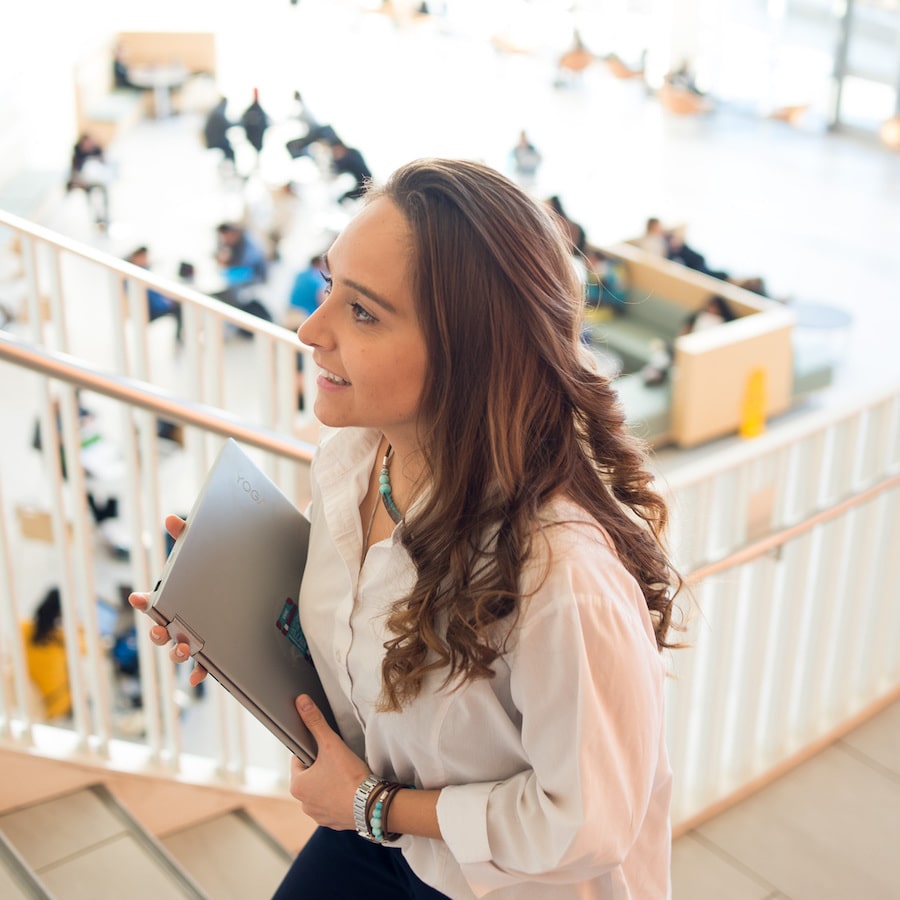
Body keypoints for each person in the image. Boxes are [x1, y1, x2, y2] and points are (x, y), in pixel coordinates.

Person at [131, 158, 681, 898]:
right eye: (329, 287)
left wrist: (371, 804)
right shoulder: (353, 464)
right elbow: (370, 668)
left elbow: (585, 823)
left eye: (363, 312)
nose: (308, 329)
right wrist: (234, 638)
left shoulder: (559, 575)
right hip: (387, 833)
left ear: (469, 356)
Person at [21, 588, 76, 720]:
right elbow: (90, 648)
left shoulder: (23, 628)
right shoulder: (61, 637)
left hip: (32, 701)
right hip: (57, 704)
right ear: (60, 613)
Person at [124, 246, 182, 341]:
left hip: (154, 306)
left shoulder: (144, 272)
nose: (145, 259)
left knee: (179, 305)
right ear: (135, 257)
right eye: (142, 257)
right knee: (178, 307)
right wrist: (167, 304)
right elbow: (152, 298)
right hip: (149, 310)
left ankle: (180, 338)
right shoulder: (132, 276)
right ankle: (180, 339)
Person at [66, 133, 111, 228]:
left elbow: (105, 164)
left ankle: (104, 216)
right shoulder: (78, 154)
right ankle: (95, 218)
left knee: (103, 194)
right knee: (91, 197)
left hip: (98, 178)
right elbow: (75, 171)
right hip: (85, 181)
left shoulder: (97, 150)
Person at [329, 138, 373, 203]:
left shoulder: (350, 158)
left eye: (335, 150)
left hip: (365, 186)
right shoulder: (352, 152)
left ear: (341, 147)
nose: (335, 153)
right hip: (365, 183)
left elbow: (339, 170)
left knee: (340, 199)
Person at [202, 96, 236, 167]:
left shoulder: (217, 110)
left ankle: (228, 166)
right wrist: (240, 123)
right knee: (229, 149)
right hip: (213, 141)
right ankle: (230, 167)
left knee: (228, 145)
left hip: (212, 139)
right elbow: (226, 124)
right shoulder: (218, 113)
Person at [240, 88, 271, 161]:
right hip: (252, 134)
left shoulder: (259, 109)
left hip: (258, 134)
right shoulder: (251, 109)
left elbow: (264, 121)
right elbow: (244, 120)